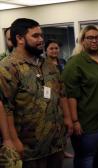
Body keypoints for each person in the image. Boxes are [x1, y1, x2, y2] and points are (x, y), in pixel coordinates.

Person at [0, 18, 72, 168]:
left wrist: (67, 118)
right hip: (29, 148)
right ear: (20, 39)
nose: (41, 40)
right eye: (35, 36)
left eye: (41, 35)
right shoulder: (8, 68)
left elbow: (61, 93)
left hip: (55, 143)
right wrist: (11, 140)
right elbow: (6, 108)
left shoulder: (47, 64)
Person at [62, 25, 98, 168]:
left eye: (97, 37)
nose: (94, 40)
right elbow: (70, 95)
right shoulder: (74, 63)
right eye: (90, 37)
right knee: (86, 157)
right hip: (87, 122)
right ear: (82, 40)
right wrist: (75, 121)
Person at [44, 39, 74, 158]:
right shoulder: (43, 63)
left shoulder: (62, 61)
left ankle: (62, 149)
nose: (54, 50)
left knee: (65, 127)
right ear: (46, 50)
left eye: (56, 48)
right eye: (51, 48)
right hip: (52, 97)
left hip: (65, 95)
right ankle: (56, 151)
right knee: (55, 126)